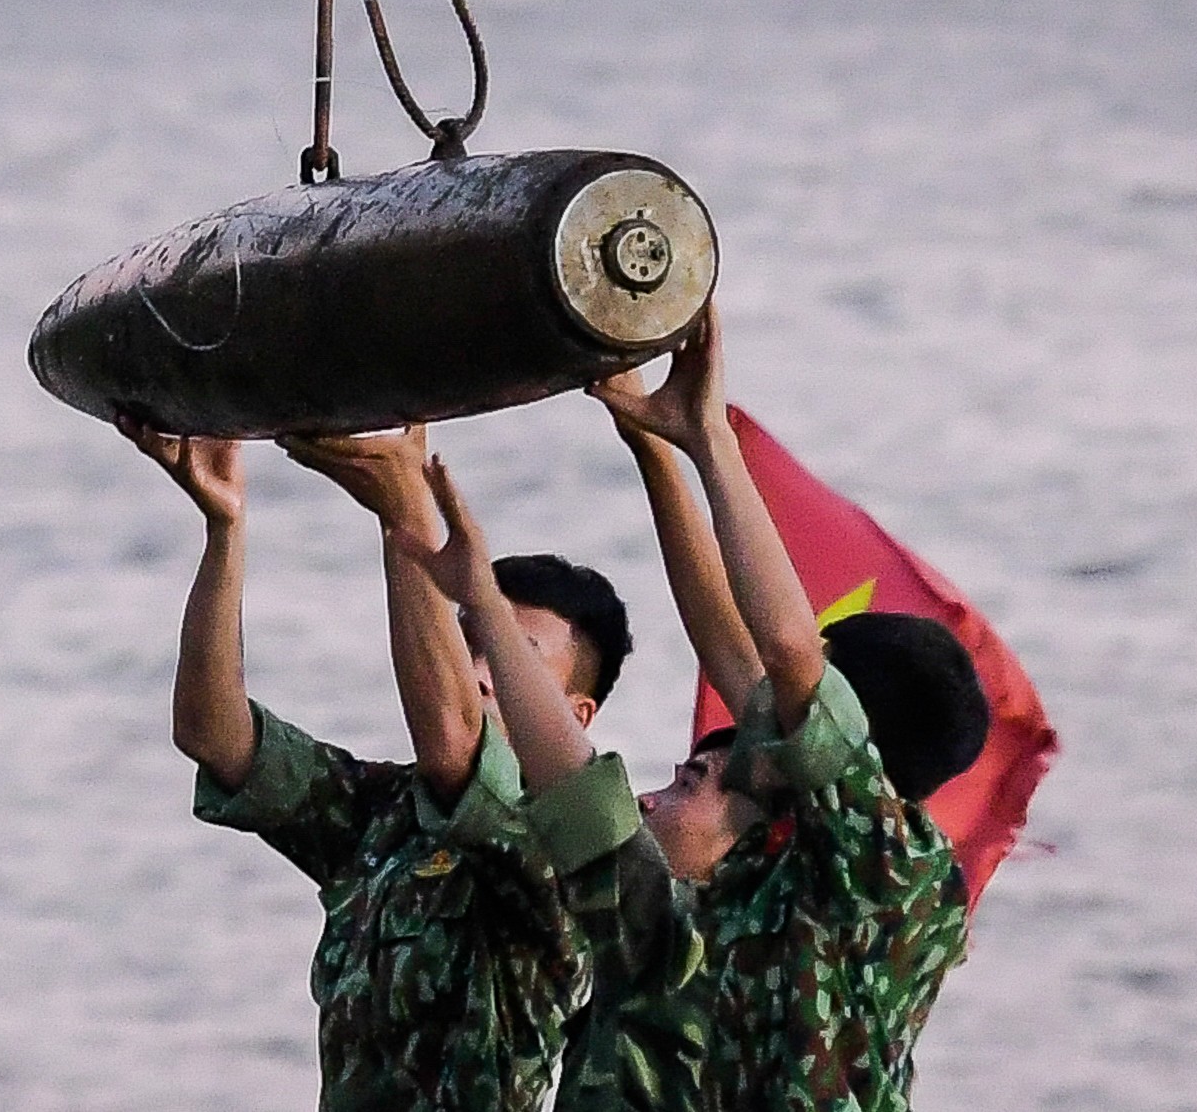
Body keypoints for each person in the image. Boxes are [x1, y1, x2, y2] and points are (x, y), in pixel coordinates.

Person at [389, 305, 989, 1111]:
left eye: (810, 690)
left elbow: (778, 651)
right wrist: (652, 440)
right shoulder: (737, 882)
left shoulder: (895, 874)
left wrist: (711, 441)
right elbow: (723, 651)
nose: (757, 704)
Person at [116, 417, 631, 1111]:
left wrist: (405, 517)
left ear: (576, 715)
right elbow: (215, 735)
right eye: (467, 644)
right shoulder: (387, 815)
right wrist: (225, 529)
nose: (480, 672)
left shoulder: (567, 853)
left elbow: (453, 739)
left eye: (510, 656)